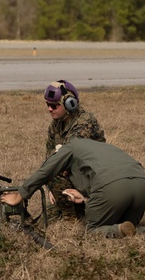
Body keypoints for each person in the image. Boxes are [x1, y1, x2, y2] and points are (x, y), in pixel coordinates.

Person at [0, 137, 145, 238]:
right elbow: (108, 177)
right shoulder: (97, 149)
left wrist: (20, 195)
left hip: (113, 189)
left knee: (91, 231)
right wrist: (85, 199)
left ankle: (138, 232)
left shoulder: (70, 147)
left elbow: (45, 171)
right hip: (141, 185)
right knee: (125, 223)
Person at [43, 79, 105, 220]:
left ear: (69, 104)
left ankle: (71, 219)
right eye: (47, 105)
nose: (49, 109)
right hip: (72, 178)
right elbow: (49, 156)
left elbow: (67, 154)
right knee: (46, 217)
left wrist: (56, 176)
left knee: (55, 167)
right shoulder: (56, 125)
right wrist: (52, 188)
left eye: (54, 105)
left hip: (91, 179)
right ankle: (72, 212)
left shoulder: (85, 121)